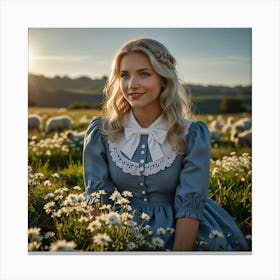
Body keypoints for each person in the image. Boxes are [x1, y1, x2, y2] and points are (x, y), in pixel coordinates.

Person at [82, 38, 249, 251]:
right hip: (121, 229)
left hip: (184, 231)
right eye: (125, 75)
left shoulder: (192, 134)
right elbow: (98, 198)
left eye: (144, 74)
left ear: (164, 79)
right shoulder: (101, 132)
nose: (132, 85)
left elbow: (190, 204)